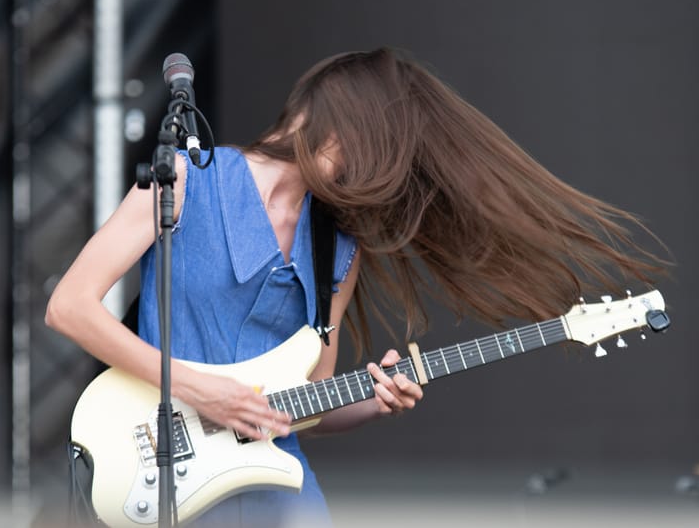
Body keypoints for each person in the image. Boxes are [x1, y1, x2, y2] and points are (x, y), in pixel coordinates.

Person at [45, 47, 665, 527]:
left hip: (276, 493)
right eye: (365, 147)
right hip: (162, 473)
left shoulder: (338, 246)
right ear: (326, 119)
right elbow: (69, 307)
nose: (368, 172)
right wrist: (204, 392)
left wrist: (372, 401)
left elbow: (306, 403)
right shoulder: (184, 178)